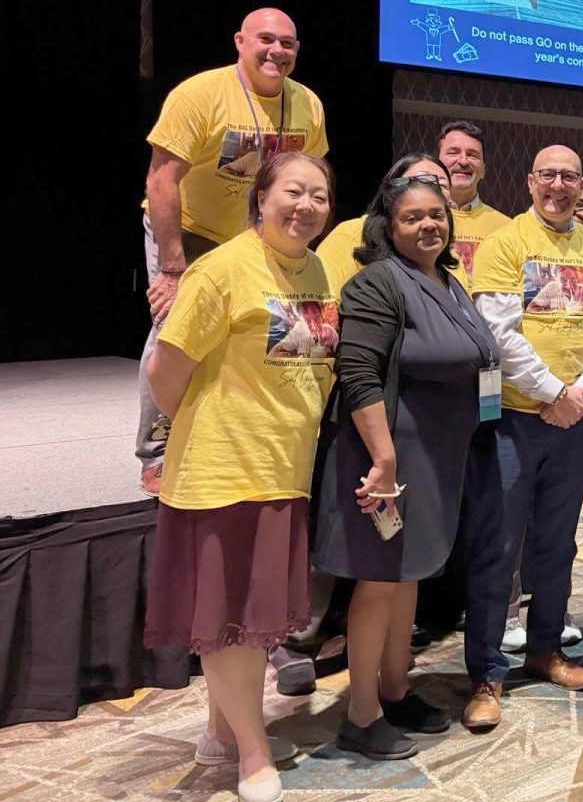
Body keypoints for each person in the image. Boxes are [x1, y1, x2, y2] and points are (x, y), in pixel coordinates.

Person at [143, 153, 337, 802]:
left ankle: (222, 731)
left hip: (285, 470)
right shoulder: (221, 269)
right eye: (293, 191)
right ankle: (253, 753)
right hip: (223, 473)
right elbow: (165, 370)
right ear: (260, 197)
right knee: (231, 623)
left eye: (319, 195)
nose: (306, 205)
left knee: (247, 618)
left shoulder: (315, 270)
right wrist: (209, 429)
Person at [311, 171, 495, 759]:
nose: (428, 225)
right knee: (379, 579)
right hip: (388, 455)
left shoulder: (447, 280)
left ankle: (394, 689)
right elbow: (359, 373)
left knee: (409, 574)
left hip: (438, 454)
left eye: (436, 215)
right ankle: (361, 712)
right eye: (413, 217)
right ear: (388, 227)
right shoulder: (376, 283)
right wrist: (384, 458)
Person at [459, 146, 583, 730]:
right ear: (530, 181)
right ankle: (484, 672)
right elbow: (497, 331)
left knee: (557, 544)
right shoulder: (506, 243)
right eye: (548, 175)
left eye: (569, 177)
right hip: (514, 418)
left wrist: (579, 392)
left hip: (574, 423)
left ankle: (545, 650)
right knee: (498, 548)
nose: (558, 185)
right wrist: (556, 391)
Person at [138, 7, 327, 496]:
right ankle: (157, 449)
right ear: (240, 42)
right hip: (188, 227)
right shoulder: (200, 94)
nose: (276, 51)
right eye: (266, 40)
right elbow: (161, 181)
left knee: (273, 325)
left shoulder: (307, 104)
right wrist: (174, 267)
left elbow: (311, 176)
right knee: (172, 325)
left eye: (287, 43)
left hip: (256, 234)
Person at [316, 154, 451, 291]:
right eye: (420, 182)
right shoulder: (351, 233)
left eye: (442, 185)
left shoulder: (448, 250)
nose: (430, 191)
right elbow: (326, 301)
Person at [438, 120, 512, 287]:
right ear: (437, 165)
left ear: (483, 170)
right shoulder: (419, 222)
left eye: (472, 155)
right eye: (453, 152)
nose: (463, 161)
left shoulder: (507, 227)